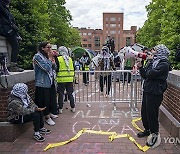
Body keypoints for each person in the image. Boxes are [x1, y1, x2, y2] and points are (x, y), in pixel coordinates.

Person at [136, 44, 171, 148]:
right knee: (145, 112)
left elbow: (151, 74)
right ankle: (147, 130)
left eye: (155, 50)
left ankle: (154, 134)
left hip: (155, 92)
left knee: (152, 114)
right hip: (148, 90)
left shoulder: (164, 64)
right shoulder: (154, 62)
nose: (153, 51)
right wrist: (141, 66)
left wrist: (149, 62)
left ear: (161, 51)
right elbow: (145, 75)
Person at [33, 41, 58, 126]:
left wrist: (53, 61)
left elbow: (55, 68)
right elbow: (46, 68)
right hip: (42, 82)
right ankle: (47, 117)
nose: (50, 49)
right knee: (44, 100)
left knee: (51, 99)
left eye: (50, 47)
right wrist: (50, 59)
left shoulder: (47, 56)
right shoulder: (37, 57)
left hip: (50, 81)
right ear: (42, 48)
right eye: (48, 47)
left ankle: (50, 113)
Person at [0, 0, 23, 72]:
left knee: (14, 46)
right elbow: (7, 19)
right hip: (6, 30)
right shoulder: (2, 6)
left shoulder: (4, 7)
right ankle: (13, 65)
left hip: (8, 29)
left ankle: (11, 65)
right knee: (15, 46)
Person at [56, 46, 75, 114]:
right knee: (70, 94)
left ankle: (60, 108)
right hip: (70, 78)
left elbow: (56, 69)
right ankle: (73, 107)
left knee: (61, 94)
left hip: (61, 79)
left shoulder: (58, 59)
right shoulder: (69, 59)